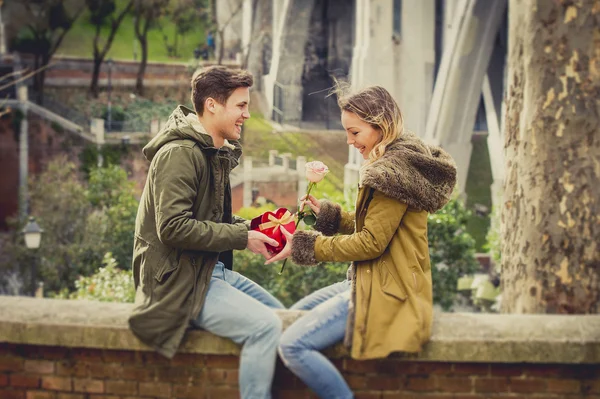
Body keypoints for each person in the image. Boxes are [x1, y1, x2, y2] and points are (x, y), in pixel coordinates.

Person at [266, 85, 457, 398]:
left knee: (293, 344)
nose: (349, 141)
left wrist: (306, 245)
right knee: (292, 317)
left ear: (380, 126)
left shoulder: (391, 173)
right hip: (369, 280)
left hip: (383, 289)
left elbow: (370, 243)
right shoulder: (399, 161)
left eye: (354, 132)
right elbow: (381, 227)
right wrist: (330, 215)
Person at [128, 66, 285, 399]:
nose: (247, 114)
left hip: (207, 271)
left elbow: (214, 222)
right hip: (178, 285)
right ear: (212, 105)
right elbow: (172, 228)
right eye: (240, 106)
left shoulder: (211, 152)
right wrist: (243, 238)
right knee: (265, 327)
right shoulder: (180, 154)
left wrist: (258, 230)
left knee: (284, 318)